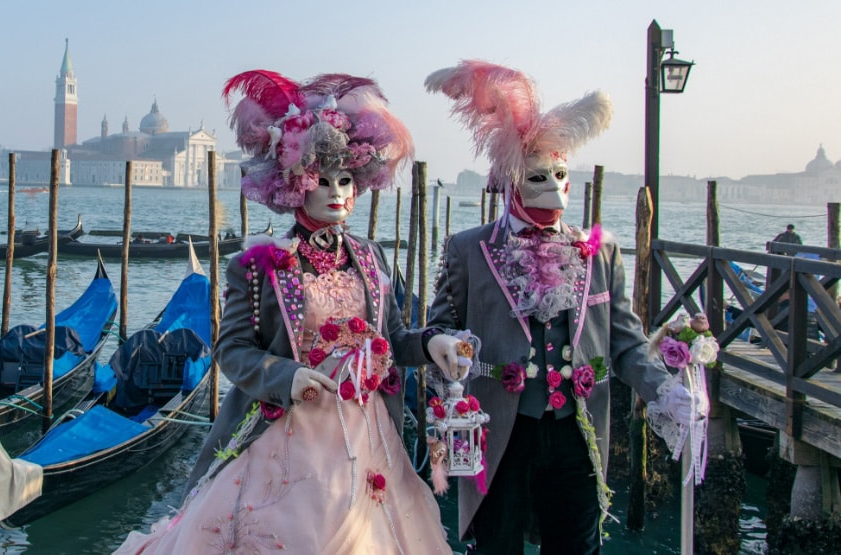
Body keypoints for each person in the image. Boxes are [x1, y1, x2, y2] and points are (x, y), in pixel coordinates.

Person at [115, 70, 452, 554]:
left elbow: (394, 337)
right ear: (297, 185)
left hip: (368, 434)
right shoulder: (260, 264)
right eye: (324, 181)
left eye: (346, 181)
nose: (338, 192)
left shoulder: (371, 256)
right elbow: (231, 350)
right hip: (289, 433)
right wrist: (286, 376)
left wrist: (431, 343)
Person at [422, 60, 707, 554]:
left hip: (578, 432)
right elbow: (437, 328)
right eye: (538, 176)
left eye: (559, 173)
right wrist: (448, 349)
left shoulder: (600, 251)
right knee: (497, 547)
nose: (552, 186)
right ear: (513, 181)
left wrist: (664, 390)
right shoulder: (468, 250)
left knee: (577, 546)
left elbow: (625, 342)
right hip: (498, 431)